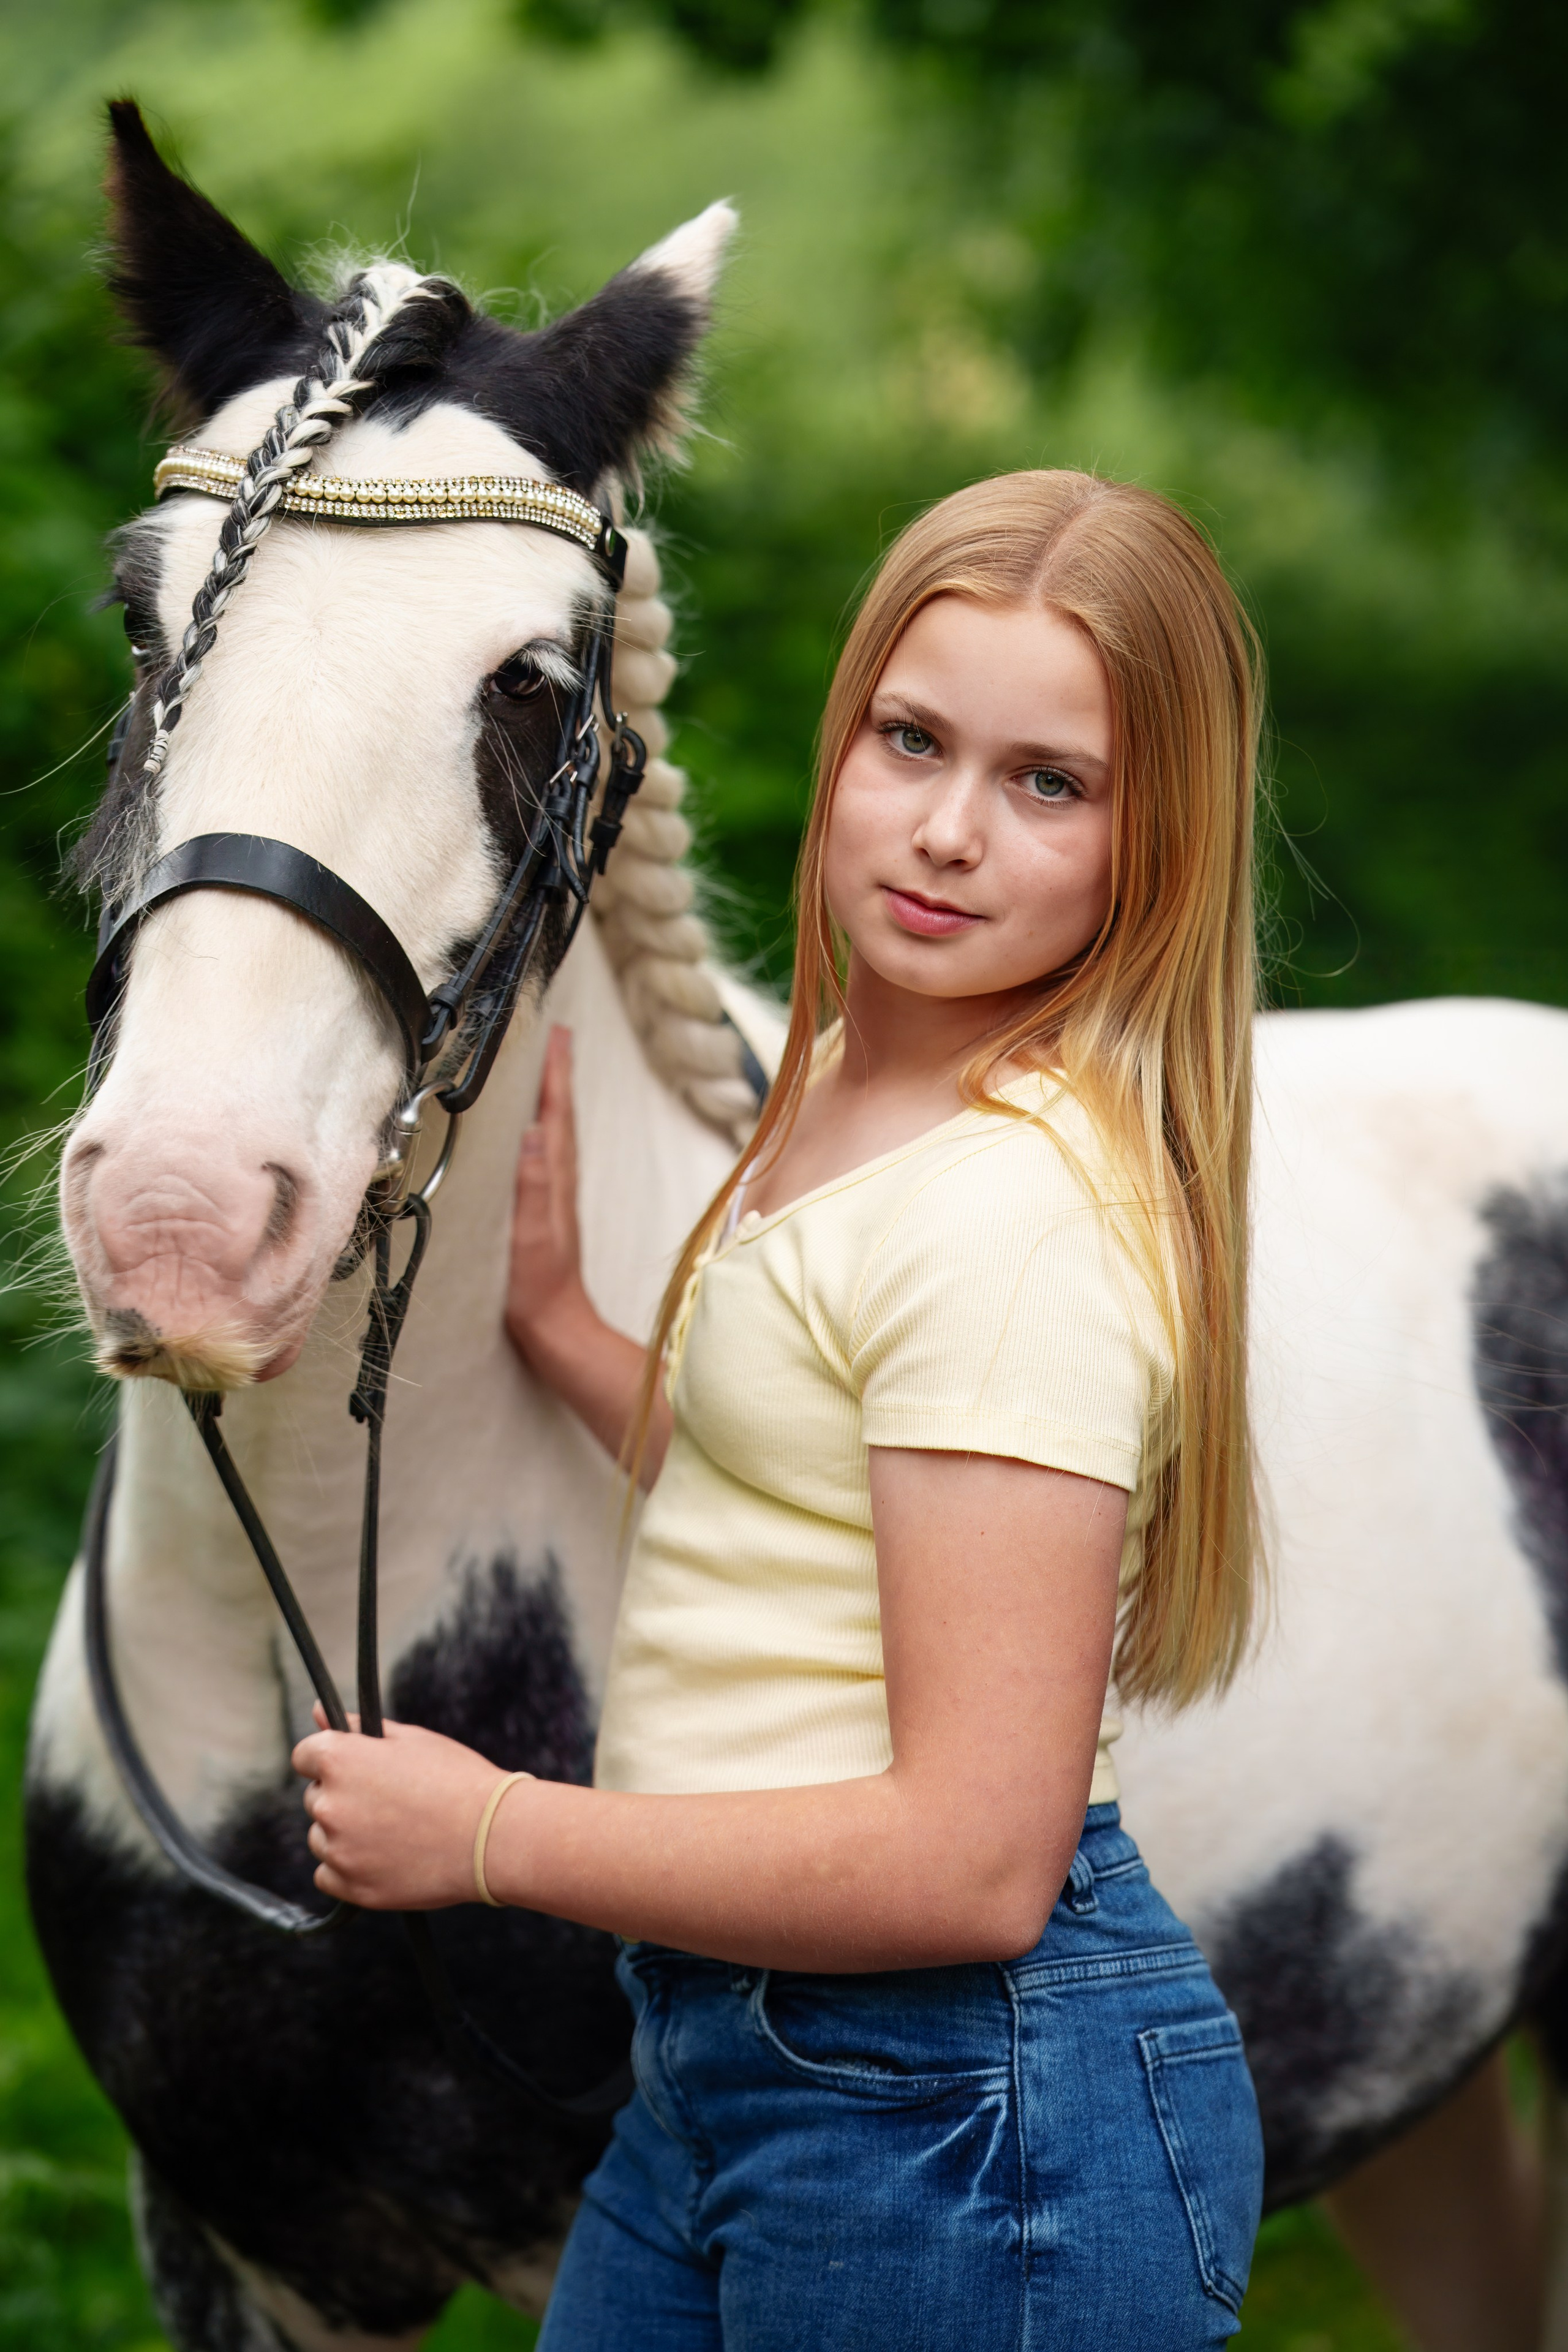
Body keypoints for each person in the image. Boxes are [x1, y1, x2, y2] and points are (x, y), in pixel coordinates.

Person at [293, 469, 1268, 2346]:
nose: (951, 832)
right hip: (740, 2056)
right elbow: (815, 1486)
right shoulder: (850, 1082)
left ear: (1162, 842)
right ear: (846, 734)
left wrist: (489, 1833)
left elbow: (975, 1863)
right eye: (913, 739)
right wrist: (567, 1327)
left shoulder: (1012, 1213)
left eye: (1049, 783)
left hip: (967, 2124)